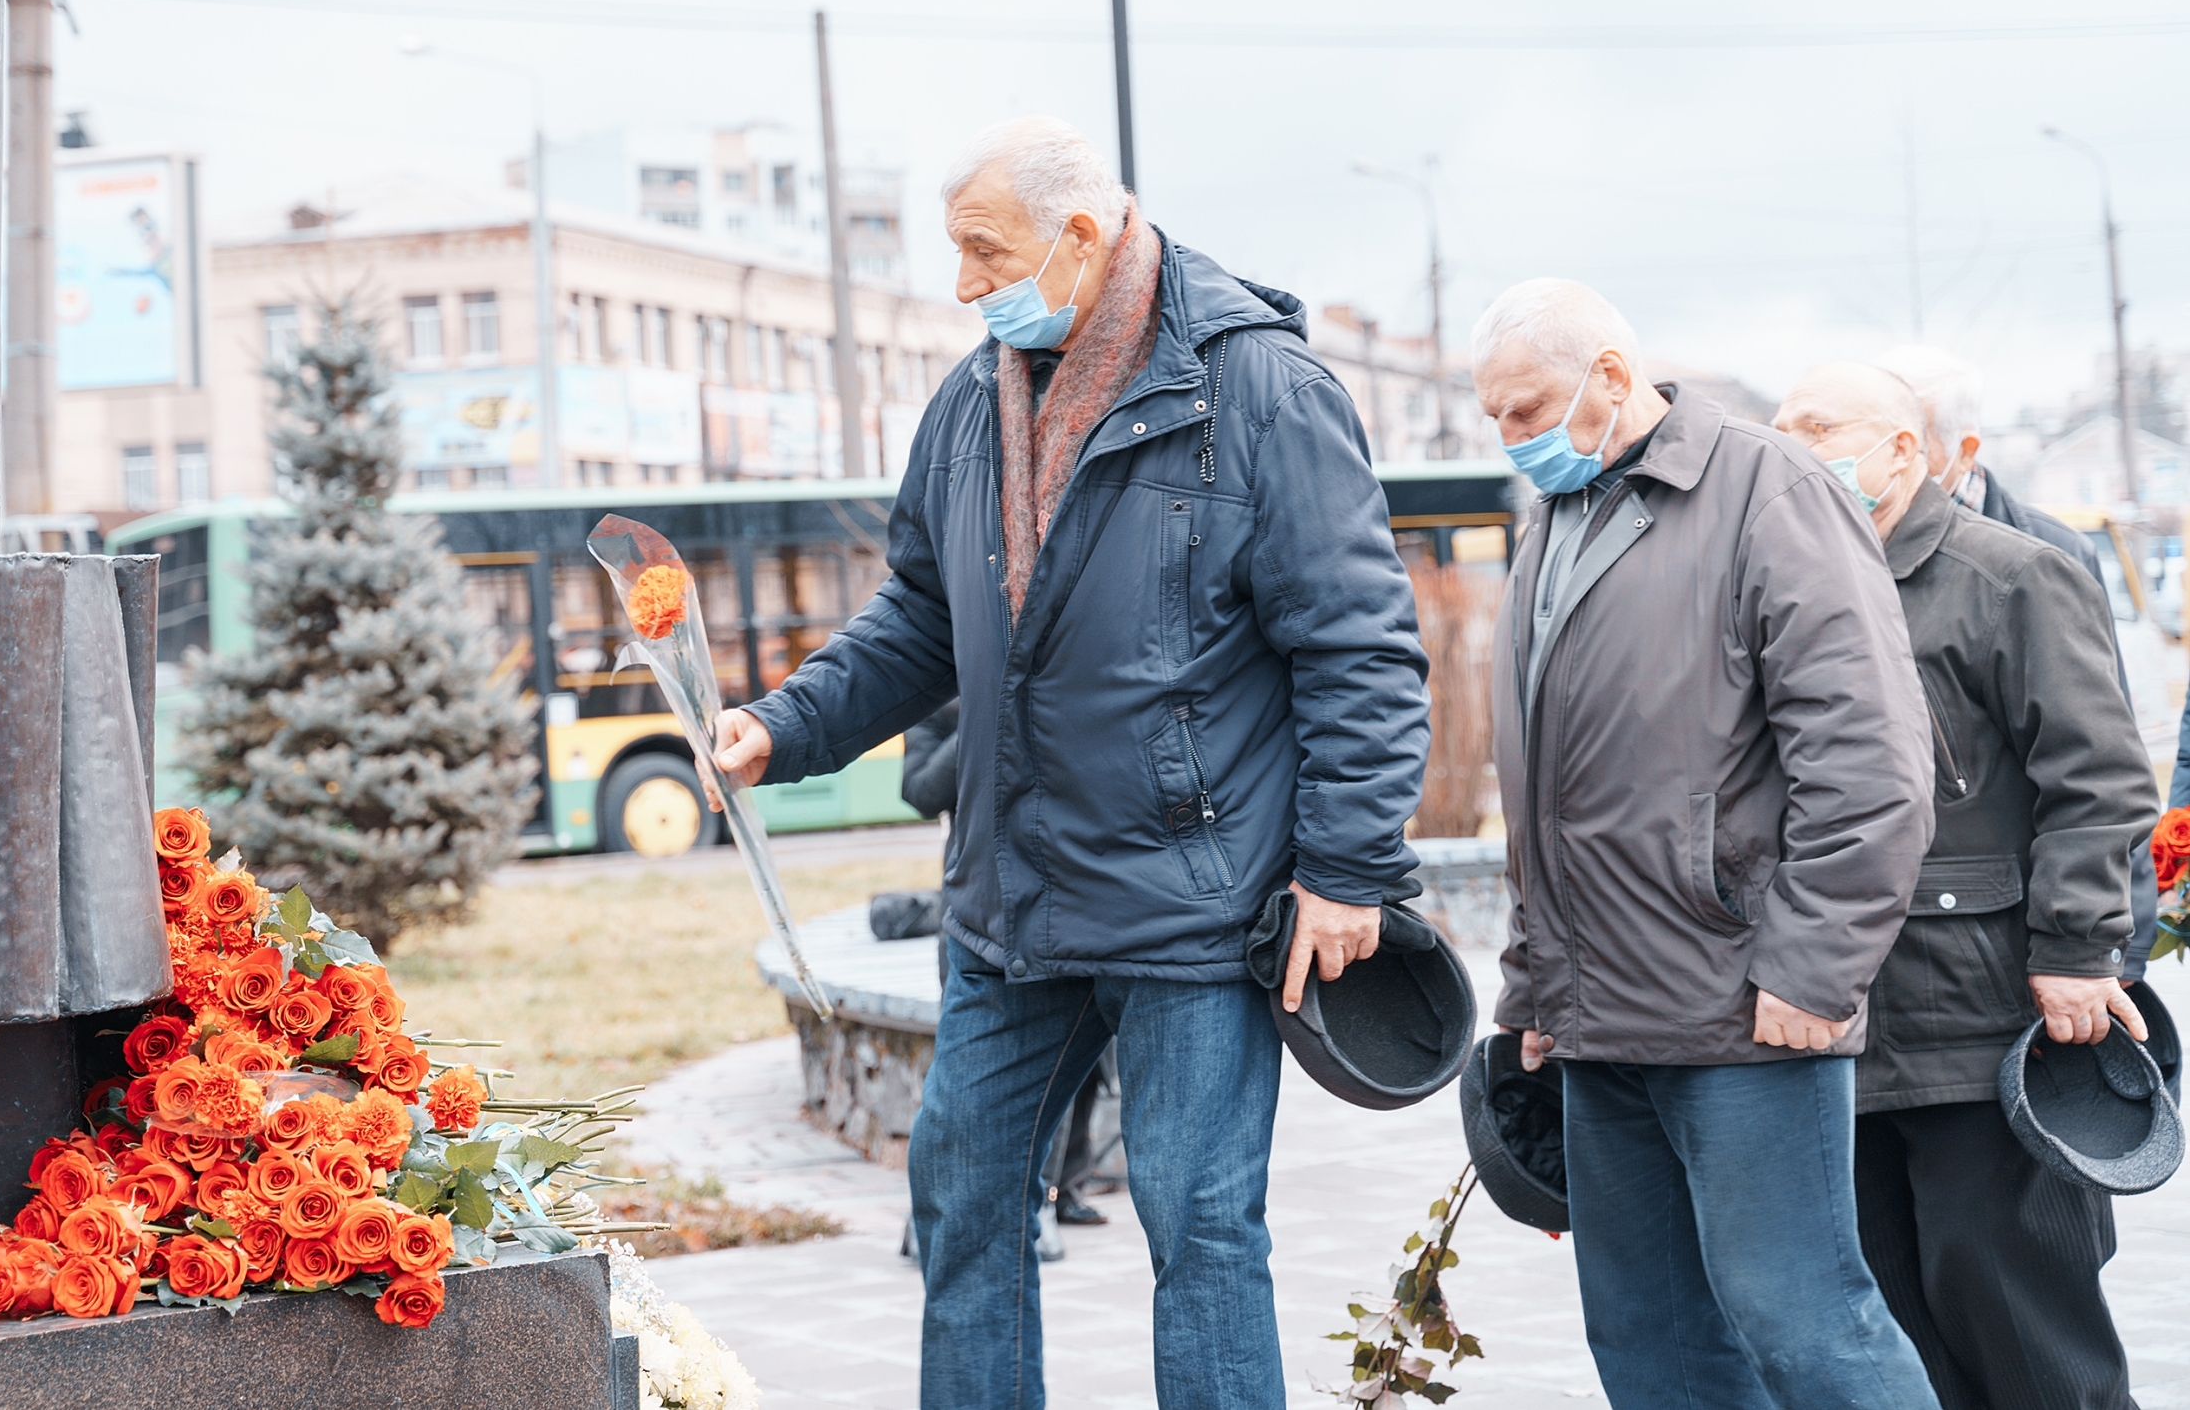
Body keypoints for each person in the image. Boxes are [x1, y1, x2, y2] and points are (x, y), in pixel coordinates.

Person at [706, 115, 1430, 1410]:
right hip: (1008, 908)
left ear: (1085, 237)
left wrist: (1348, 869)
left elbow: (1360, 650)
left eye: (987, 254)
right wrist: (786, 723)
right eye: (960, 257)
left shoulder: (1259, 389)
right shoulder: (971, 399)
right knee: (963, 1208)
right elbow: (921, 617)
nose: (965, 286)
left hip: (1193, 916)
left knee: (1202, 1235)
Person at [1471, 278, 1940, 1410]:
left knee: (1801, 1322)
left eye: (1527, 407)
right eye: (1494, 417)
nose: (1511, 437)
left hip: (1743, 1009)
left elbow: (1868, 759)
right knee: (1649, 1339)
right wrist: (1536, 988)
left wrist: (1813, 965)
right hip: (1601, 1021)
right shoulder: (1562, 521)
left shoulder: (1766, 489)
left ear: (1613, 376)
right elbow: (1548, 794)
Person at [1773, 360, 2157, 1410]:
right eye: (1780, 425)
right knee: (1895, 1328)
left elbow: (2095, 773)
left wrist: (2078, 950)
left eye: (1820, 423)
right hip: (1837, 1021)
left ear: (1902, 448)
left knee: (2019, 1319)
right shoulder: (1788, 578)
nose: (1792, 443)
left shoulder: (2011, 574)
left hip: (1982, 1013)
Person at [1877, 343, 2161, 979]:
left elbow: (2099, 758)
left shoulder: (2042, 555)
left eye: (1909, 438)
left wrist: (2117, 946)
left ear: (1963, 450)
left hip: (2026, 919)